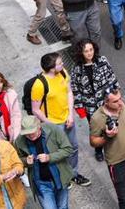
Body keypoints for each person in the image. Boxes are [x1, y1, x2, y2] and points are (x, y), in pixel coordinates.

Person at [29, 53, 90, 187]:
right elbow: (35, 109)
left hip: (66, 119)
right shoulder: (39, 85)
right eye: (59, 63)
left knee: (73, 147)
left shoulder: (63, 73)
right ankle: (63, 177)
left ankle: (73, 174)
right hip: (53, 124)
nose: (62, 65)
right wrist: (50, 124)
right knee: (58, 153)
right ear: (51, 68)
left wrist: (70, 115)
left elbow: (69, 92)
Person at [12, 115, 74, 209]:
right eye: (27, 134)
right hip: (41, 183)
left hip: (60, 178)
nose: (30, 136)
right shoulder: (19, 141)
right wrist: (26, 161)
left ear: (39, 126)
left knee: (63, 206)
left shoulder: (53, 130)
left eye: (32, 132)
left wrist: (50, 157)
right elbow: (16, 160)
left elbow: (68, 149)